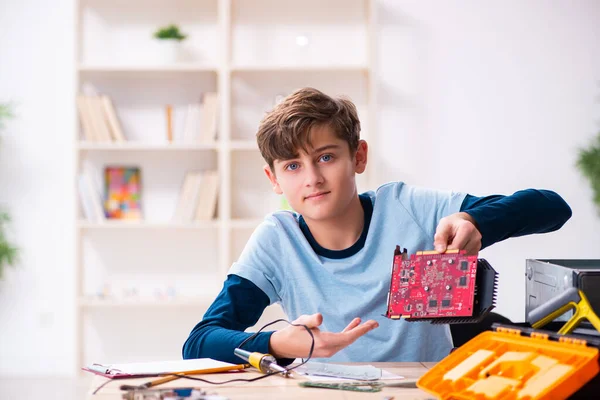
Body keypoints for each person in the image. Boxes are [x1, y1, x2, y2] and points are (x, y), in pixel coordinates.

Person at [183, 87, 572, 365]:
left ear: (359, 156)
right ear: (274, 180)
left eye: (326, 157)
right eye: (292, 166)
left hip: (420, 389)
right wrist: (279, 342)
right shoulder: (277, 239)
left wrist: (475, 220)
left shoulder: (408, 207)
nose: (312, 179)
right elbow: (200, 341)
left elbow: (553, 208)